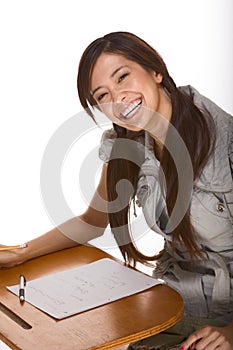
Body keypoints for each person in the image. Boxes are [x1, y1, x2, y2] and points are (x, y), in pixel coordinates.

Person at [0, 31, 233, 350]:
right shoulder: (127, 145)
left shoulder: (226, 141)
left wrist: (232, 333)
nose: (118, 99)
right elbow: (92, 221)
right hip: (174, 303)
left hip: (224, 321)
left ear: (155, 70)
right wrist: (20, 253)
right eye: (102, 95)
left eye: (123, 77)